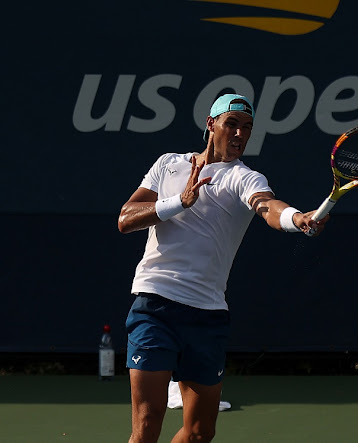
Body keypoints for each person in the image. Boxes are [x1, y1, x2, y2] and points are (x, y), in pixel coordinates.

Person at [117, 93, 328, 443]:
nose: (240, 134)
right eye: (232, 124)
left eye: (247, 128)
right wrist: (178, 202)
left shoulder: (245, 178)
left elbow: (267, 207)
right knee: (148, 421)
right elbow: (126, 219)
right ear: (211, 124)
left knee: (200, 433)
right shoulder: (169, 164)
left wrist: (296, 218)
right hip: (154, 304)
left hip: (207, 315)